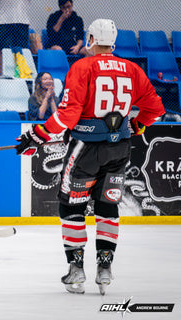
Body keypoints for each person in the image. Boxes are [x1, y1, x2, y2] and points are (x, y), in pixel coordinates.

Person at [15, 19, 165, 295]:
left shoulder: (82, 66)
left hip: (85, 150)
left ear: (91, 38)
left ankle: (76, 270)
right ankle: (105, 267)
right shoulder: (132, 69)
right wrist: (136, 125)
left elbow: (68, 115)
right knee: (107, 205)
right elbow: (156, 108)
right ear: (115, 42)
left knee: (72, 206)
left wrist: (37, 135)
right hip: (119, 149)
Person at [0, 0, 31, 77]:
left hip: (22, 20)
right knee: (4, 49)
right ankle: (2, 76)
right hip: (4, 20)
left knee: (22, 50)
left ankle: (22, 74)